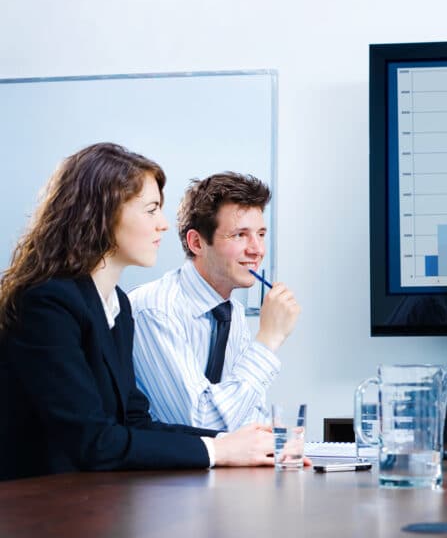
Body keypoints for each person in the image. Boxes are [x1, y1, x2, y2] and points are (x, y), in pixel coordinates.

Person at [0, 143, 278, 481]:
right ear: (102, 214)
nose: (163, 225)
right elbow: (93, 441)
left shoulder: (117, 304)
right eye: (151, 210)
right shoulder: (47, 303)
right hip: (39, 511)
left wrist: (235, 445)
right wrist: (218, 450)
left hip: (91, 505)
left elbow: (134, 422)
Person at [129, 172, 300, 431]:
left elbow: (242, 413)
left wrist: (264, 431)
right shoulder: (155, 310)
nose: (257, 250)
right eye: (240, 235)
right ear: (197, 242)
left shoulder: (232, 313)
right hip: (157, 470)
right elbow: (200, 423)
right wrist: (268, 340)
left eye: (261, 234)